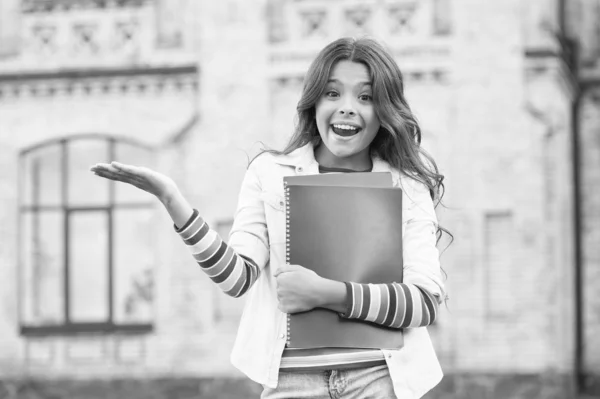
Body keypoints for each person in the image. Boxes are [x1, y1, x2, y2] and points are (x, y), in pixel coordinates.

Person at [91, 37, 448, 399]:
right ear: (314, 102)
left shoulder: (407, 185)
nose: (347, 108)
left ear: (385, 108)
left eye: (366, 97)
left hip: (380, 381)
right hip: (293, 383)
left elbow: (423, 303)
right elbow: (236, 278)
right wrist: (172, 199)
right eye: (332, 93)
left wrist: (326, 293)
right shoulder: (270, 174)